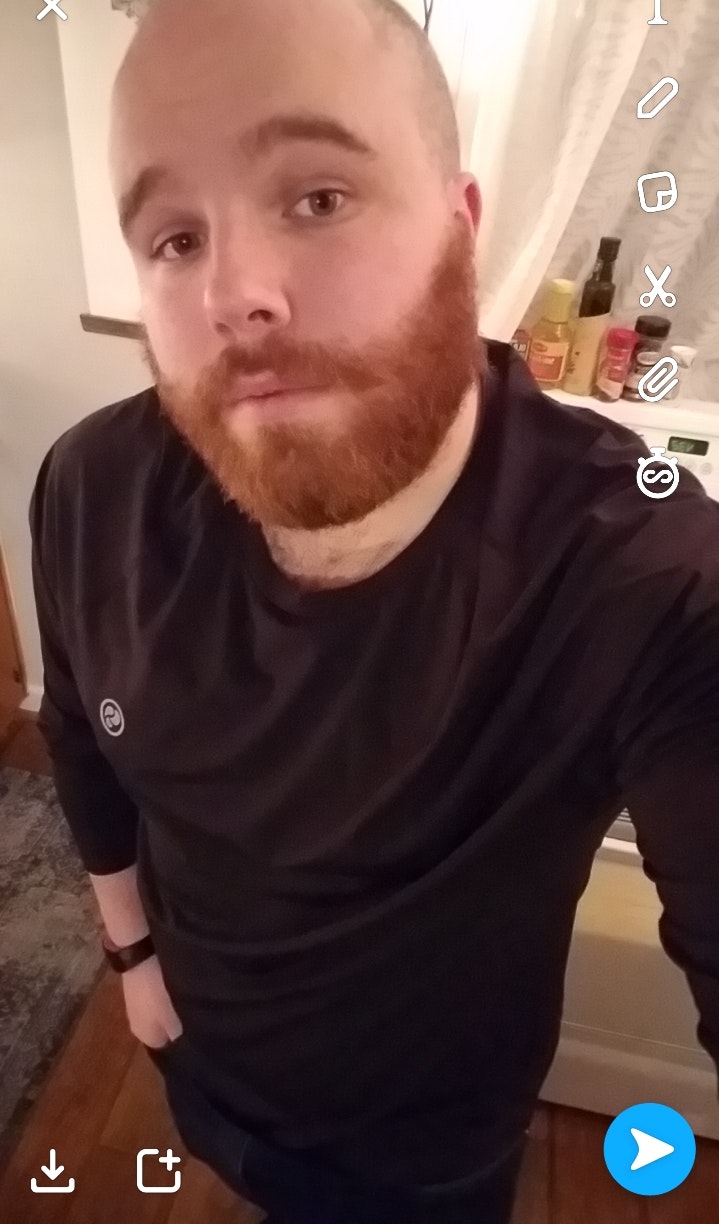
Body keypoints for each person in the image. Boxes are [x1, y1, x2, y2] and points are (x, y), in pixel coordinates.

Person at [28, 0, 719, 1221]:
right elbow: (80, 736)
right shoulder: (92, 488)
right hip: (196, 1057)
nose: (236, 294)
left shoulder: (643, 575)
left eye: (316, 197)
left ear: (459, 226)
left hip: (425, 1151)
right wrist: (131, 959)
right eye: (175, 238)